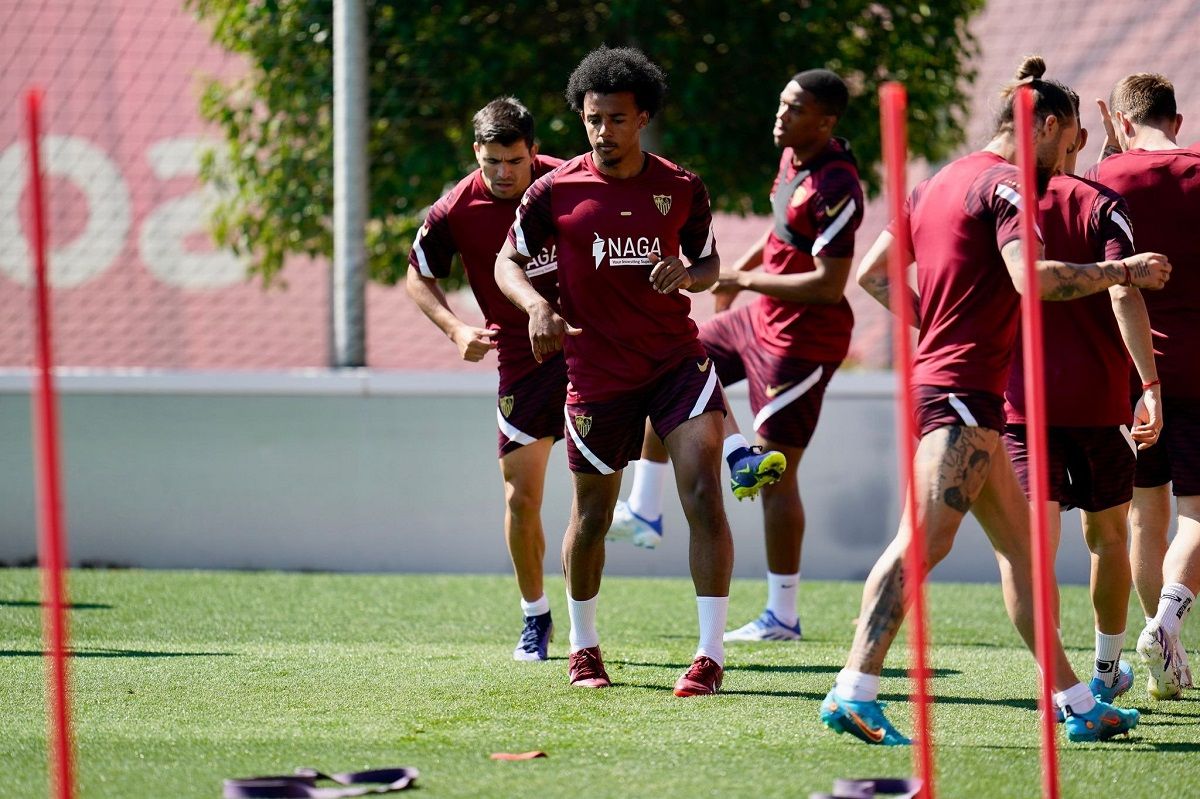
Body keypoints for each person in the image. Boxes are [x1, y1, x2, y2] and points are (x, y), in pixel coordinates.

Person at [836, 56, 1168, 745]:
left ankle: (1078, 702)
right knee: (921, 543)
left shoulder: (935, 183)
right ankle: (853, 689)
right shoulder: (1009, 187)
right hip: (959, 397)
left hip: (970, 395)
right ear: (1042, 125)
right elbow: (1034, 279)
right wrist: (1124, 269)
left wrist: (938, 328)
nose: (1071, 154)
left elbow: (874, 276)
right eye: (1070, 137)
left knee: (1022, 557)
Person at [495, 45, 734, 697]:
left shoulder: (680, 187)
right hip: (597, 374)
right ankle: (584, 647)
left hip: (674, 364)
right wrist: (537, 304)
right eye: (593, 119)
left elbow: (709, 262)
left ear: (644, 117)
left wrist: (690, 274)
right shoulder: (554, 190)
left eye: (617, 119)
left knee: (704, 493)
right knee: (593, 516)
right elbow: (506, 263)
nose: (603, 131)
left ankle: (710, 655)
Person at [607, 70, 864, 645]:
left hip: (804, 339)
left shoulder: (837, 185)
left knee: (777, 477)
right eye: (781, 102)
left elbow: (828, 284)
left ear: (825, 121)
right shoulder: (793, 159)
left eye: (795, 108)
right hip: (759, 317)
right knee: (671, 361)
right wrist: (736, 274)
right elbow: (780, 238)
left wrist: (744, 276)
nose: (780, 115)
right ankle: (645, 508)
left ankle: (783, 615)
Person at [1002, 78, 1160, 712]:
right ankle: (1103, 668)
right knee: (1108, 538)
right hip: (1099, 403)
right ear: (1072, 132)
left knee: (1032, 547)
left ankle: (1057, 678)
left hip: (1021, 403)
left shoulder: (996, 197)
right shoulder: (1100, 202)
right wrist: (1148, 385)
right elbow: (1125, 290)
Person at [405, 97, 565, 662]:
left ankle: (642, 507)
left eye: (514, 161)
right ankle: (535, 617)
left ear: (534, 153)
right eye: (491, 160)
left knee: (642, 443)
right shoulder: (455, 208)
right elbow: (418, 274)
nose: (502, 173)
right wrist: (454, 330)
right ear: (477, 152)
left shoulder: (568, 182)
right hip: (524, 363)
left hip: (593, 348)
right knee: (522, 499)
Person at [1089, 73, 1200, 700]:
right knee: (1199, 513)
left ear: (1123, 124)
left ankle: (1166, 646)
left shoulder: (1109, 178)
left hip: (1131, 371)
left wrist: (1110, 159)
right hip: (1199, 365)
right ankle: (1165, 626)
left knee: (1143, 515)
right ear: (1176, 120)